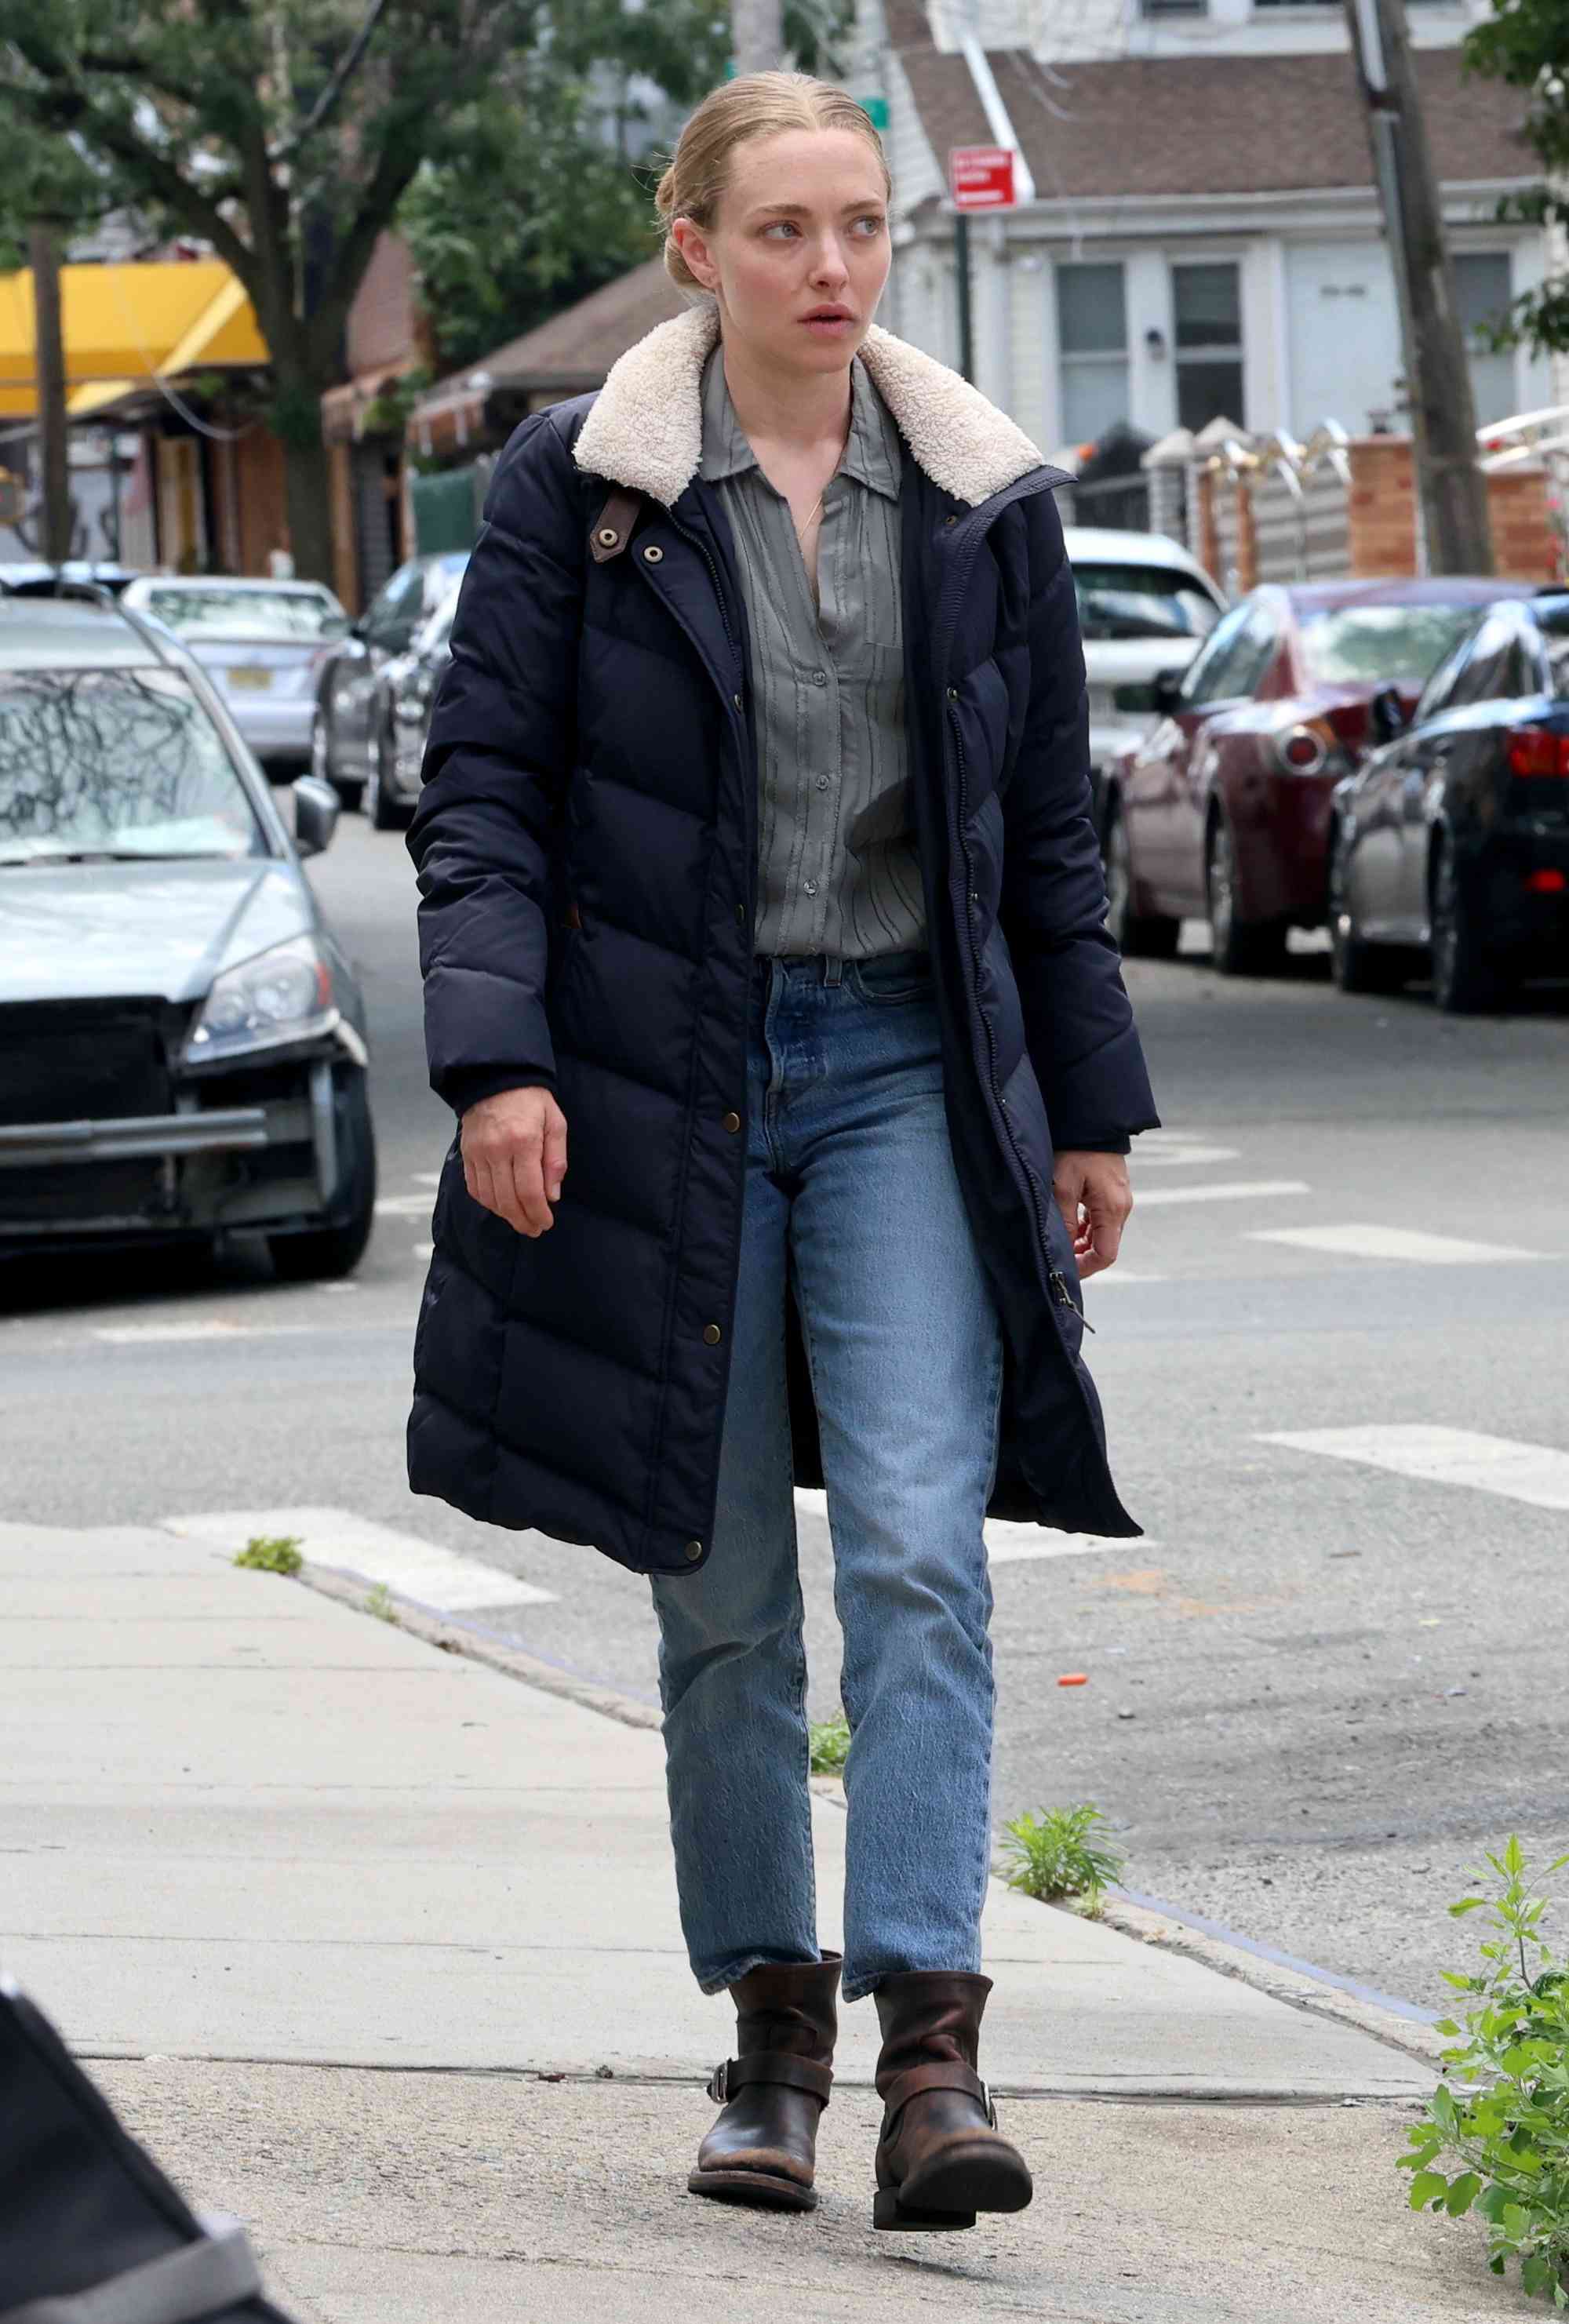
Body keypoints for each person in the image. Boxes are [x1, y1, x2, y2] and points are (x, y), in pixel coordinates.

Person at [406, 71, 1159, 2236]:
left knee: (923, 1545)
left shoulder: (980, 495)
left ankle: (936, 2044)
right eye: (784, 232)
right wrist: (498, 1064)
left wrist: (1090, 1106)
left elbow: (1047, 845)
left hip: (910, 1065)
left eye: (859, 227)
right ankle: (773, 2031)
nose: (831, 268)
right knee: (721, 1580)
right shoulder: (591, 492)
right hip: (671, 1078)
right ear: (696, 250)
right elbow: (484, 796)